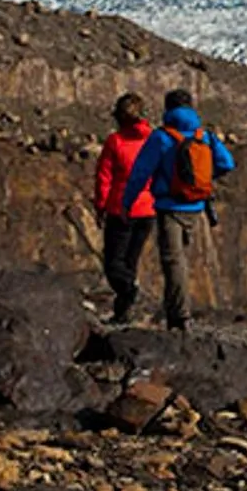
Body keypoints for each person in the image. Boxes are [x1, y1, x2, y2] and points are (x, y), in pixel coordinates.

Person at [120, 89, 234, 332]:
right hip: (197, 207)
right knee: (183, 260)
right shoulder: (205, 135)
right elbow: (227, 163)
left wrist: (127, 202)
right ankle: (178, 312)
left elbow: (141, 172)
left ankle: (180, 317)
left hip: (170, 207)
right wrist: (202, 178)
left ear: (167, 110)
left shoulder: (161, 137)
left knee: (174, 262)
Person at [94, 93, 157, 325]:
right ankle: (122, 313)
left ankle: (129, 291)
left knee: (114, 264)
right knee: (129, 262)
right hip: (148, 210)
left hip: (121, 210)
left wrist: (100, 206)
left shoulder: (116, 142)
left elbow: (104, 178)